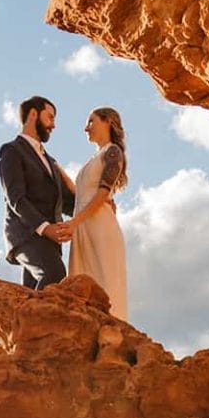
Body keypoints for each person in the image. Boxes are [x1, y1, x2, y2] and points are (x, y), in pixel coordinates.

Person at [0, 96, 75, 289]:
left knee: (32, 297)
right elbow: (16, 198)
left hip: (50, 244)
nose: (53, 125)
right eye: (50, 117)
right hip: (26, 235)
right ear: (33, 114)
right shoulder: (11, 151)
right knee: (55, 275)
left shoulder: (51, 161)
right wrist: (46, 228)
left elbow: (66, 202)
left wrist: (99, 207)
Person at [67, 106, 128, 319]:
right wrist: (54, 167)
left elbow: (102, 193)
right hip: (84, 227)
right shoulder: (93, 159)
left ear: (107, 122)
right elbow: (81, 192)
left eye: (91, 121)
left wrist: (74, 223)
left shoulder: (113, 152)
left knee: (105, 285)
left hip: (100, 228)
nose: (86, 128)